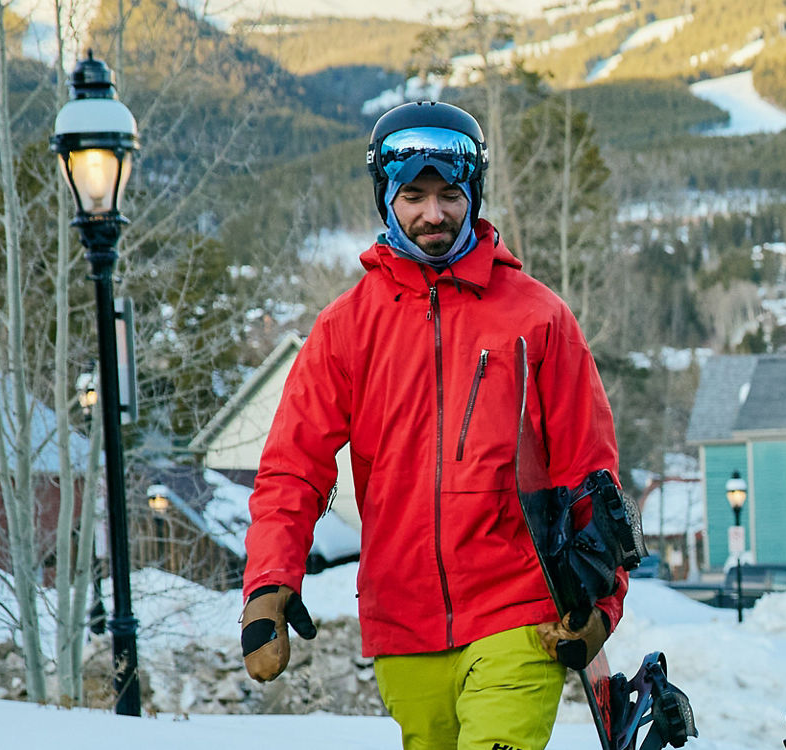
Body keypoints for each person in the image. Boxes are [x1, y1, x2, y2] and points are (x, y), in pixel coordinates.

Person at [238, 101, 625, 750]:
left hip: (518, 616)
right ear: (385, 197)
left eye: (450, 194)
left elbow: (590, 471)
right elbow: (292, 467)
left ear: (472, 194)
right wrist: (269, 586)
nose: (433, 214)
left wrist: (602, 608)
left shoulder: (539, 318)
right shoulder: (346, 328)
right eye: (413, 195)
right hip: (404, 628)